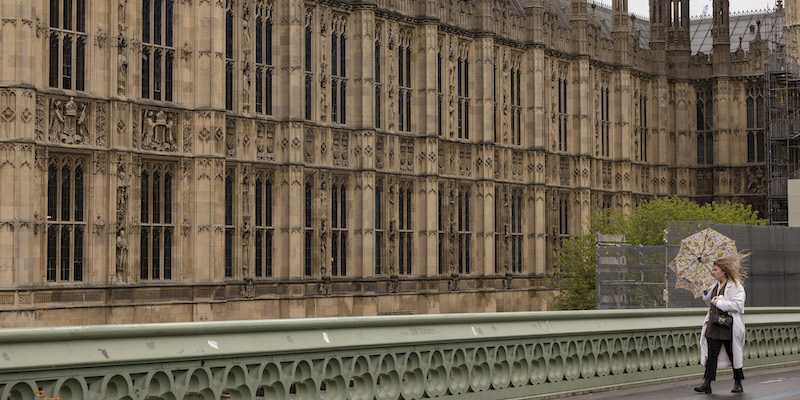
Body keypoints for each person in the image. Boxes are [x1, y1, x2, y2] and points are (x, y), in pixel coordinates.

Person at [694, 253, 748, 394]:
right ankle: (707, 383)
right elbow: (710, 303)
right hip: (714, 324)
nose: (713, 272)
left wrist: (721, 303)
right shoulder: (715, 286)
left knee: (732, 354)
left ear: (723, 271)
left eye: (715, 270)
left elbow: (738, 306)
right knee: (711, 355)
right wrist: (706, 294)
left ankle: (738, 382)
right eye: (713, 270)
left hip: (728, 326)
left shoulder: (736, 286)